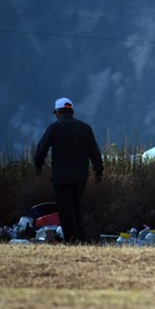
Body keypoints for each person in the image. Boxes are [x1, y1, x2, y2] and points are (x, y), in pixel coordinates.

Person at [34, 97, 103, 243]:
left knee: (66, 210)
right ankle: (81, 239)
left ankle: (72, 240)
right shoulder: (85, 128)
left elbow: (41, 150)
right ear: (71, 111)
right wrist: (98, 172)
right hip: (80, 177)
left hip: (61, 178)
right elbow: (95, 152)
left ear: (58, 112)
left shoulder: (54, 128)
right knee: (77, 207)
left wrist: (38, 165)